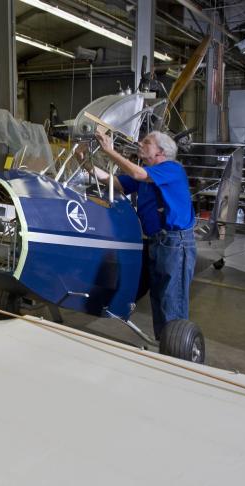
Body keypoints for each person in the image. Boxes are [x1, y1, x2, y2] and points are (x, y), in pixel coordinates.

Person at [94, 128, 196, 338]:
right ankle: (166, 344)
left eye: (146, 142)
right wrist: (85, 162)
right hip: (156, 241)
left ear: (161, 151)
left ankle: (177, 349)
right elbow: (116, 182)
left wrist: (109, 151)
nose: (140, 143)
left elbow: (136, 173)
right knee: (159, 297)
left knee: (172, 297)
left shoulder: (171, 168)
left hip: (175, 242)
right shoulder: (147, 176)